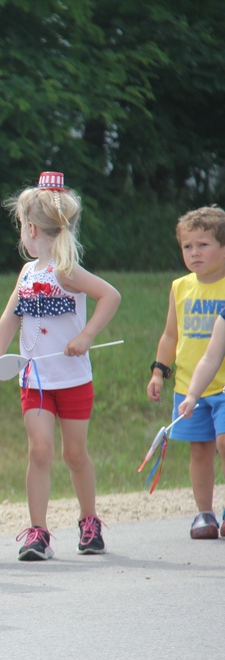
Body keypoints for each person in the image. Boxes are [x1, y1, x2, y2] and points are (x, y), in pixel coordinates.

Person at [0, 171, 121, 560]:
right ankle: (38, 532)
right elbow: (10, 316)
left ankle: (89, 521)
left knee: (74, 454)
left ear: (31, 229)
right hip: (35, 379)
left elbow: (110, 296)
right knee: (40, 451)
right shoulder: (28, 273)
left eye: (21, 230)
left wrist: (87, 336)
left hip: (74, 380)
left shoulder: (66, 270)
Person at [152, 206, 225, 539]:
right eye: (187, 246)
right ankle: (204, 514)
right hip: (188, 385)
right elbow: (171, 335)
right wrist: (158, 372)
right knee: (200, 449)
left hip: (223, 387)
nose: (194, 253)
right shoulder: (180, 287)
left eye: (203, 245)